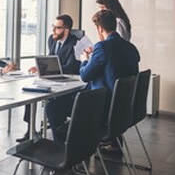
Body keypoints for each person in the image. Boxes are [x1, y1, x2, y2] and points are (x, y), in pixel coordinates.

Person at [79, 9, 140, 150]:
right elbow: (116, 66)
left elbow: (85, 76)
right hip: (125, 106)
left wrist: (84, 60)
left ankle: (76, 148)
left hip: (105, 106)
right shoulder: (130, 47)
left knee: (63, 105)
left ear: (100, 29)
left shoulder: (102, 47)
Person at [17, 14, 81, 142]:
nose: (53, 30)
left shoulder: (75, 43)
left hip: (68, 80)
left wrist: (50, 70)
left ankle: (60, 139)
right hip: (51, 78)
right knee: (31, 93)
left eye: (57, 28)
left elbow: (71, 66)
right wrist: (40, 67)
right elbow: (50, 59)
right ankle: (31, 131)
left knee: (53, 104)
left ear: (66, 30)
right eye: (54, 26)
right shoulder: (51, 40)